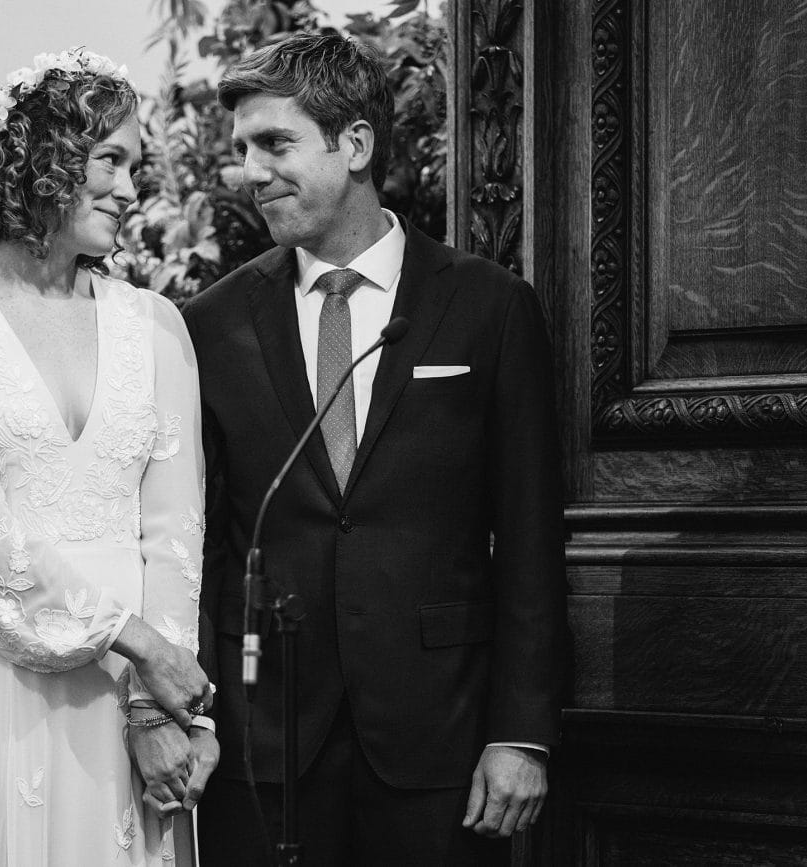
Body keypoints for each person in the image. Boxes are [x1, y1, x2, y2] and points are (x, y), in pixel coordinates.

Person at [181, 32, 570, 866]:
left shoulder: (488, 307)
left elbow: (532, 538)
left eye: (274, 144)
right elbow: (202, 545)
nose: (251, 171)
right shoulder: (209, 325)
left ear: (354, 143)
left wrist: (522, 733)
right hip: (269, 744)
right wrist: (200, 716)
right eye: (243, 149)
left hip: (444, 742)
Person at [0, 47, 218, 865]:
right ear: (39, 159)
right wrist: (137, 640)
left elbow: (176, 535)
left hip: (135, 699)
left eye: (135, 165)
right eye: (110, 160)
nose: (132, 190)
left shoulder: (157, 326)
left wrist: (160, 707)